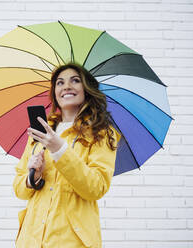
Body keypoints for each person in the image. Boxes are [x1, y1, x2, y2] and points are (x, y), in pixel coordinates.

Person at [13, 62, 121, 248]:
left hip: (72, 241)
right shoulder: (41, 131)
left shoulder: (101, 133)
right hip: (31, 240)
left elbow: (96, 187)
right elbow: (19, 189)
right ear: (54, 91)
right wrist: (33, 177)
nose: (66, 87)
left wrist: (60, 150)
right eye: (60, 83)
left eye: (75, 80)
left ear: (86, 89)